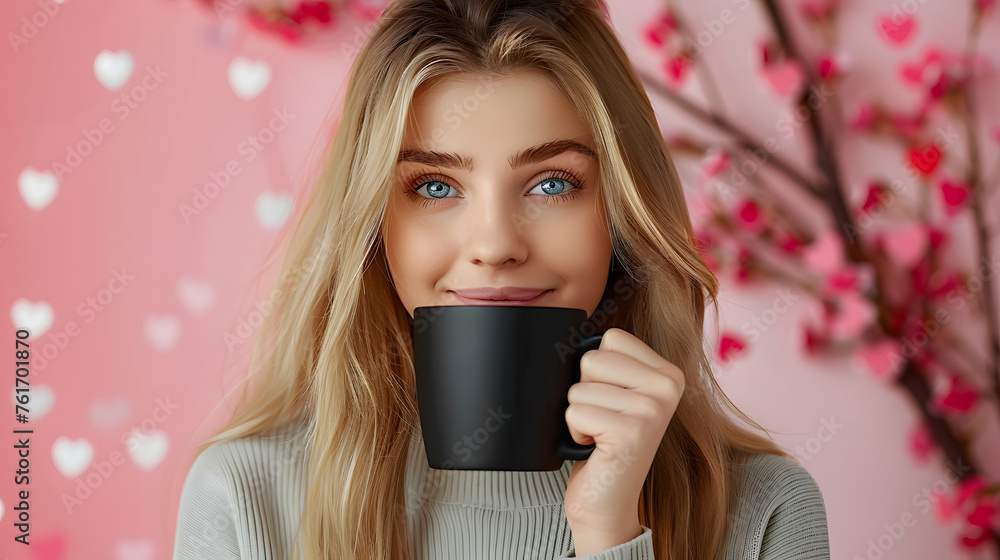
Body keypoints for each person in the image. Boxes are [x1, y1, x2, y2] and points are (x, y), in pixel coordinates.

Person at [172, 0, 831, 558]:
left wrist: (612, 534)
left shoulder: (766, 511)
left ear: (623, 215)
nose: (494, 244)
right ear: (374, 225)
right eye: (434, 186)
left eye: (552, 183)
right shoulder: (242, 497)